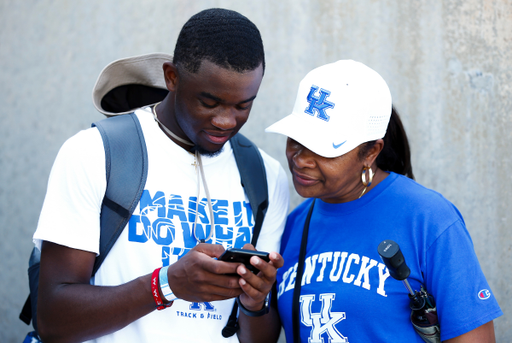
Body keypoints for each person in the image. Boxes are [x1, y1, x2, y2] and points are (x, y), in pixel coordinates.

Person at [33, 8, 289, 343]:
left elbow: (260, 338)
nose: (226, 121)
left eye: (243, 106)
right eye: (209, 102)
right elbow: (53, 319)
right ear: (172, 77)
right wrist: (166, 285)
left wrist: (254, 301)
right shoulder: (94, 153)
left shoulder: (265, 176)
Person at [240, 60, 502, 342]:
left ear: (370, 152)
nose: (301, 159)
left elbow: (474, 336)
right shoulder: (294, 224)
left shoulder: (428, 218)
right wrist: (254, 302)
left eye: (324, 149)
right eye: (297, 140)